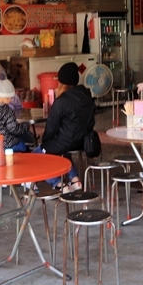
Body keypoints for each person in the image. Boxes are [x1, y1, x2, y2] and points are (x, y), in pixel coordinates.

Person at [36, 62, 93, 191]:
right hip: (84, 141)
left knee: (36, 156)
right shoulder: (87, 95)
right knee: (62, 151)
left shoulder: (62, 101)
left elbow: (51, 127)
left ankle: (58, 183)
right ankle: (75, 180)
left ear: (61, 81)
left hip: (67, 142)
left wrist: (45, 143)